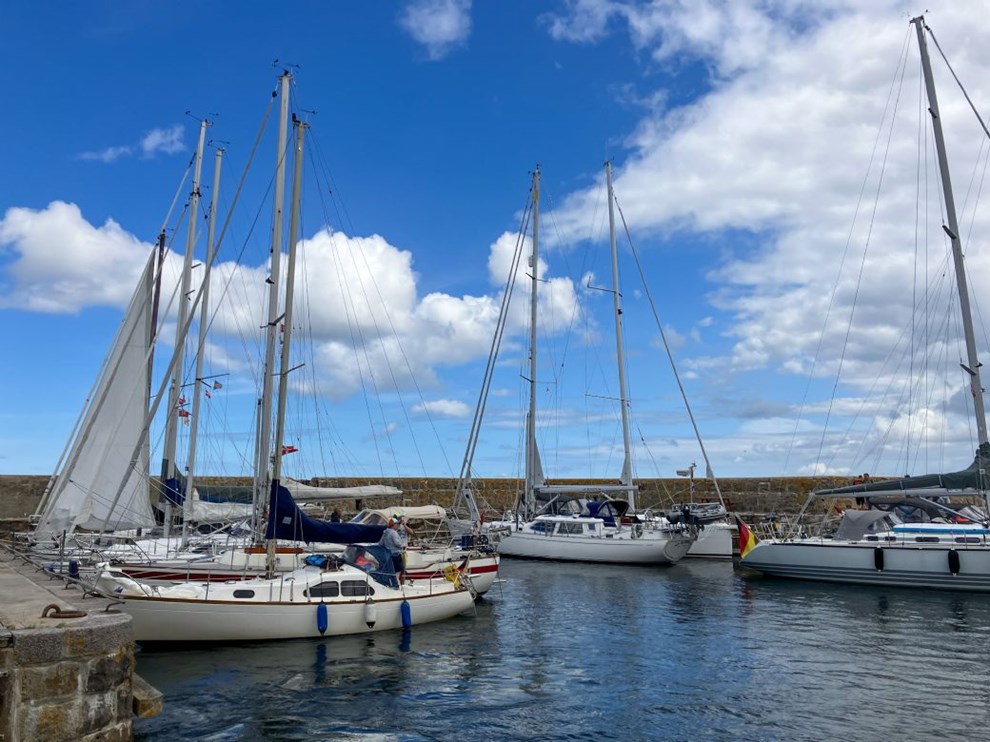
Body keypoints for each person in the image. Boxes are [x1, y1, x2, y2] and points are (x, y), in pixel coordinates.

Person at [379, 515, 409, 585]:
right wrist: (403, 545)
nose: (398, 525)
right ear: (393, 525)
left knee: (391, 570)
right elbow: (397, 543)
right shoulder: (393, 533)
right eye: (397, 524)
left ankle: (390, 583)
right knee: (398, 571)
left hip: (388, 555)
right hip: (396, 555)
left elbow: (381, 543)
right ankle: (396, 583)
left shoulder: (385, 532)